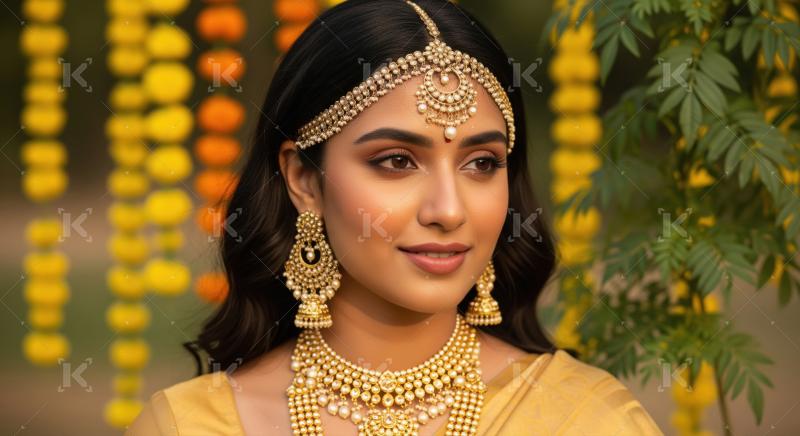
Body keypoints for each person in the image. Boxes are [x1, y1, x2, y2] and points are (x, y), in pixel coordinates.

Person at [126, 0, 663, 434]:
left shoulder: (586, 418)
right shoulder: (188, 425)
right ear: (304, 180)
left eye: (481, 163)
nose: (448, 210)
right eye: (397, 161)